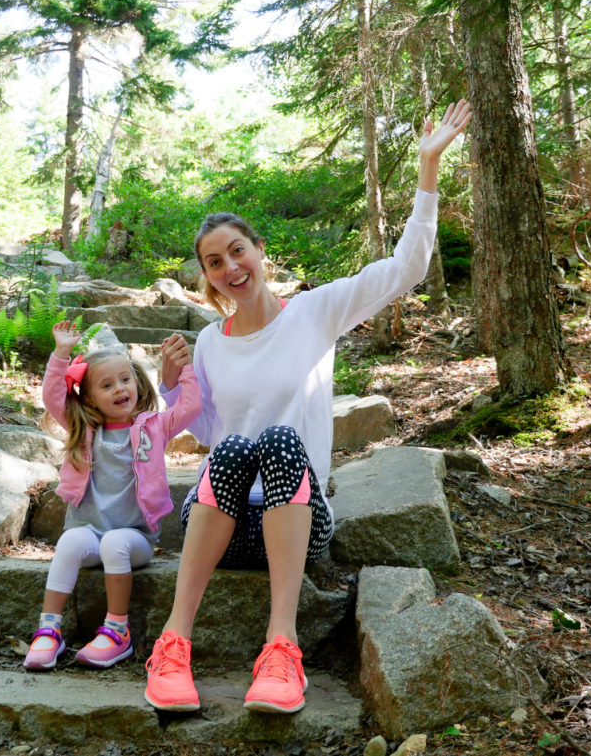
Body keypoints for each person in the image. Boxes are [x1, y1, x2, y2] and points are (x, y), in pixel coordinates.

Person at [146, 100, 473, 713]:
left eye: (236, 251)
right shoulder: (210, 343)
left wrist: (428, 170)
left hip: (298, 519)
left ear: (259, 251)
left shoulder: (316, 312)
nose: (229, 267)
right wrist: (171, 389)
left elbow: (407, 267)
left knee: (277, 444)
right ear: (208, 278)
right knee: (240, 445)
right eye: (214, 263)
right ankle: (172, 644)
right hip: (222, 523)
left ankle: (282, 647)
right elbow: (212, 432)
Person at [23, 320, 200, 670]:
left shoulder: (153, 426)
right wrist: (61, 354)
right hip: (89, 533)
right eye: (106, 385)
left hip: (134, 538)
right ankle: (49, 629)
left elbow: (189, 408)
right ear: (88, 397)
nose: (120, 388)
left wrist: (185, 370)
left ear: (136, 381)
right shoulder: (83, 428)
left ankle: (118, 631)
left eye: (125, 379)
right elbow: (52, 396)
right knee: (70, 541)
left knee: (114, 542)